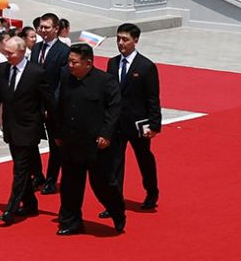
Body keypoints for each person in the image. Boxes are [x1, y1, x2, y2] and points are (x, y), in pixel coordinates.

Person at [53, 43, 125, 235]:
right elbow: (60, 106)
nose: (70, 65)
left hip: (96, 144)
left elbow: (114, 109)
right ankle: (70, 221)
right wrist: (58, 133)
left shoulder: (105, 81)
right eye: (69, 61)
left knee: (102, 184)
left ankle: (117, 212)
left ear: (89, 63)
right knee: (70, 184)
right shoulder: (66, 77)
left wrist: (106, 134)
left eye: (74, 62)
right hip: (71, 141)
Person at [0, 37, 45, 225]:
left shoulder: (37, 72)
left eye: (11, 53)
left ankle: (11, 208)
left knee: (20, 169)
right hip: (11, 127)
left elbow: (47, 100)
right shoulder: (2, 69)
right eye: (5, 52)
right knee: (21, 167)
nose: (7, 56)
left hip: (29, 128)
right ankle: (31, 203)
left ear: (22, 52)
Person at [107, 23, 161, 213]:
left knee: (144, 159)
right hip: (116, 124)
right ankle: (114, 203)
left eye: (125, 39)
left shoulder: (146, 67)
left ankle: (151, 193)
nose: (121, 43)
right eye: (118, 39)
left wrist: (154, 125)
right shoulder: (112, 63)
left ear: (135, 40)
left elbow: (153, 98)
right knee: (114, 163)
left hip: (139, 124)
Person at [32, 13, 70, 194]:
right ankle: (37, 175)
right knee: (30, 142)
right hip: (34, 104)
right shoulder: (36, 48)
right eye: (41, 27)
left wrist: (51, 106)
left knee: (56, 145)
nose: (43, 31)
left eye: (47, 27)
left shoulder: (63, 51)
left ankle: (51, 179)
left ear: (56, 29)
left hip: (53, 107)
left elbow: (62, 83)